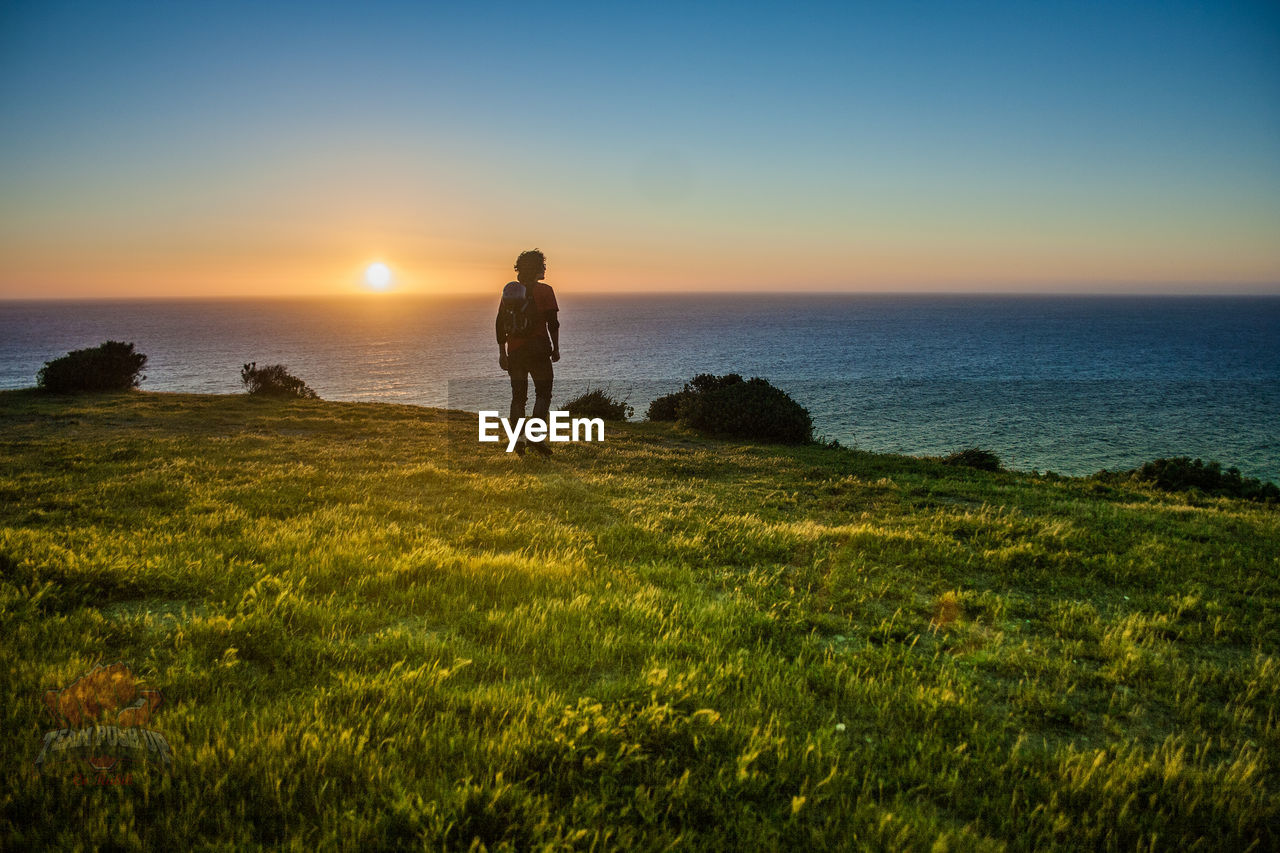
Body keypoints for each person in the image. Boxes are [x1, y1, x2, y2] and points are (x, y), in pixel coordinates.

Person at [496, 249, 560, 456]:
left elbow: (499, 324)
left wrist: (502, 353)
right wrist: (556, 348)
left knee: (518, 398)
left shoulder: (510, 292)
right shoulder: (545, 291)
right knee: (543, 394)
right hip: (539, 350)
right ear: (536, 268)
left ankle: (518, 441)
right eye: (542, 265)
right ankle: (536, 438)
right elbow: (553, 323)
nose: (545, 268)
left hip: (515, 352)